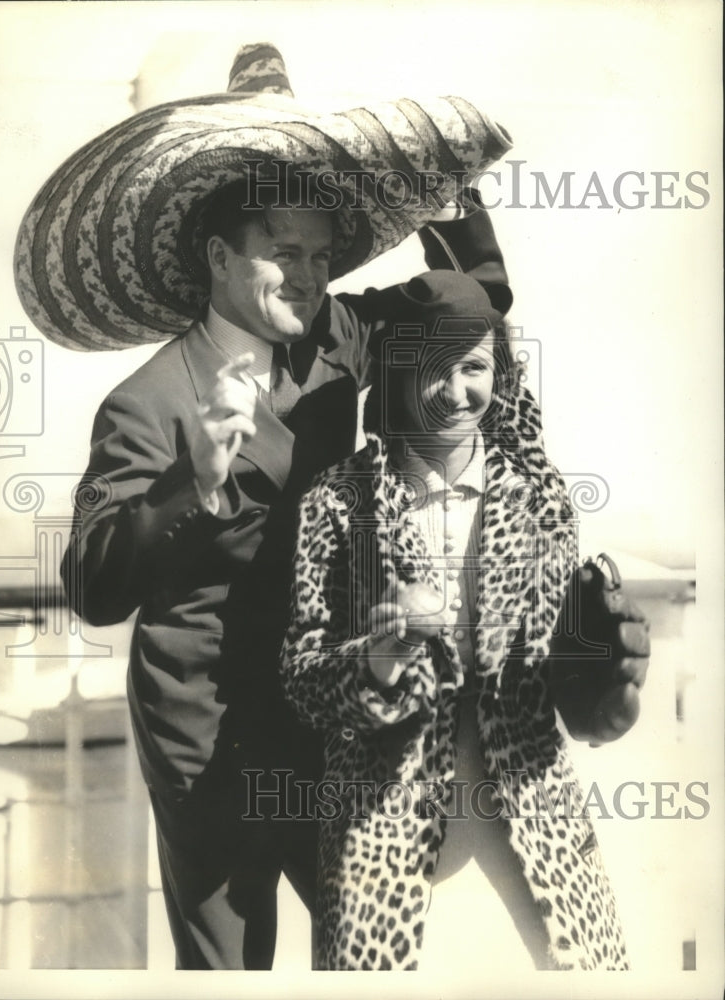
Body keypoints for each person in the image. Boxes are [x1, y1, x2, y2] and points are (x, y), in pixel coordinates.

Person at [35, 45, 516, 969]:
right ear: (218, 257)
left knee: (365, 948)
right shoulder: (145, 405)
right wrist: (192, 484)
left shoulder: (337, 335)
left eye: (321, 257)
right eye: (283, 253)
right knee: (229, 966)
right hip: (205, 736)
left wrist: (437, 188)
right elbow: (94, 588)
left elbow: (476, 301)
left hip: (331, 712)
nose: (306, 277)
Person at [280, 270, 650, 971]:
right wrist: (381, 657)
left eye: (473, 367)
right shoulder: (337, 500)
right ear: (396, 371)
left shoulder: (542, 498)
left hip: (534, 822)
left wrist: (607, 679)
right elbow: (301, 678)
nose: (455, 391)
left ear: (498, 374)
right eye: (433, 367)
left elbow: (559, 677)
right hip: (383, 833)